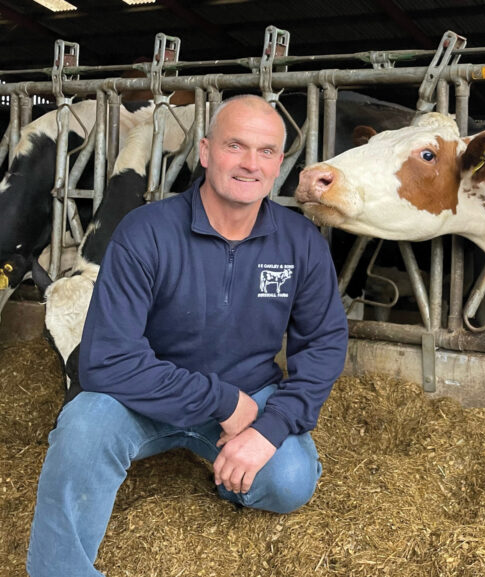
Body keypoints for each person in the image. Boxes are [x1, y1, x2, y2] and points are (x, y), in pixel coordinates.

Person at [26, 94, 349, 576]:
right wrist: (223, 403)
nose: (249, 163)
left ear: (280, 164)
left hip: (249, 392)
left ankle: (230, 468)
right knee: (82, 429)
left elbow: (323, 343)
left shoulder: (300, 242)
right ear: (204, 151)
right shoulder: (146, 231)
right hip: (142, 395)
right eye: (235, 145)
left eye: (265, 151)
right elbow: (106, 360)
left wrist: (269, 427)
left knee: (290, 481)